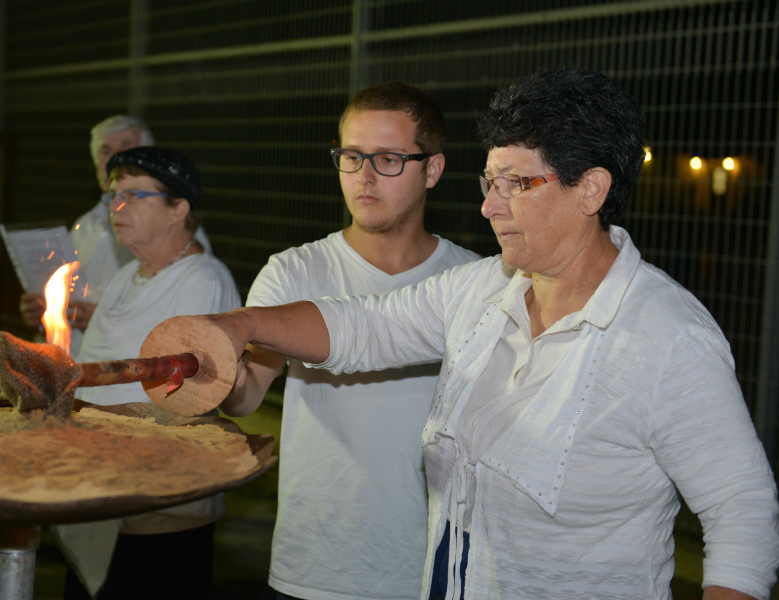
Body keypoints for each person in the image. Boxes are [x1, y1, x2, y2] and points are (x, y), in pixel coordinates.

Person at [211, 68, 779, 600]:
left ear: (591, 190)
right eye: (490, 180)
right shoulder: (482, 290)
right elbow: (364, 325)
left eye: (516, 184)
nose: (487, 207)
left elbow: (742, 508)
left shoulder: (668, 337)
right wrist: (245, 323)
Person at [221, 81, 479, 600]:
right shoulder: (293, 272)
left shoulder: (472, 281)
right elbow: (247, 399)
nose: (364, 176)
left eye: (387, 158)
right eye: (351, 156)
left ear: (432, 169)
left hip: (430, 566)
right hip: (319, 563)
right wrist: (214, 369)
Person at [55, 146, 240, 600]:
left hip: (160, 504)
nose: (117, 207)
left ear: (179, 208)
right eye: (114, 196)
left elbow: (188, 399)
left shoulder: (203, 280)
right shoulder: (127, 276)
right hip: (101, 488)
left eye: (135, 195)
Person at [18, 115, 211, 355]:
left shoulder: (177, 231)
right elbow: (67, 292)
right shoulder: (85, 225)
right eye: (105, 150)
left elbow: (181, 327)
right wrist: (47, 311)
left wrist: (101, 322)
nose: (115, 158)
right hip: (77, 361)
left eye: (126, 147)